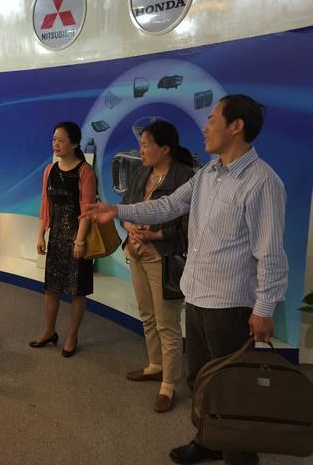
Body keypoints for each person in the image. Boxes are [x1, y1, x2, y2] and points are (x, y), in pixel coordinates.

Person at [81, 95, 288, 465]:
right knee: (201, 379)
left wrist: (264, 308)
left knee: (231, 387)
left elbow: (270, 252)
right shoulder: (208, 174)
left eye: (212, 120)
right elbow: (169, 205)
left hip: (230, 305)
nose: (205, 128)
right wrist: (119, 209)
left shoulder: (262, 182)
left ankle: (240, 456)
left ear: (236, 126)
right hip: (196, 295)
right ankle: (208, 439)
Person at [121, 120, 195, 413]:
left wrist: (157, 235)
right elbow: (125, 207)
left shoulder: (185, 177)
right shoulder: (142, 172)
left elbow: (189, 227)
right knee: (147, 315)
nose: (140, 150)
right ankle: (154, 365)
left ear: (165, 149)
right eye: (140, 145)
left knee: (167, 322)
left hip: (162, 258)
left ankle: (169, 384)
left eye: (146, 145)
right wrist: (129, 224)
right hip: (136, 252)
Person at [31, 121, 97, 357]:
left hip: (78, 237)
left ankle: (72, 335)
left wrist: (79, 241)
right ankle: (49, 331)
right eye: (54, 139)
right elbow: (45, 204)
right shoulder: (50, 170)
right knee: (51, 288)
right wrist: (41, 234)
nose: (56, 144)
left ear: (75, 143)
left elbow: (87, 210)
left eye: (61, 140)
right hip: (57, 236)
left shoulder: (85, 171)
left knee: (77, 290)